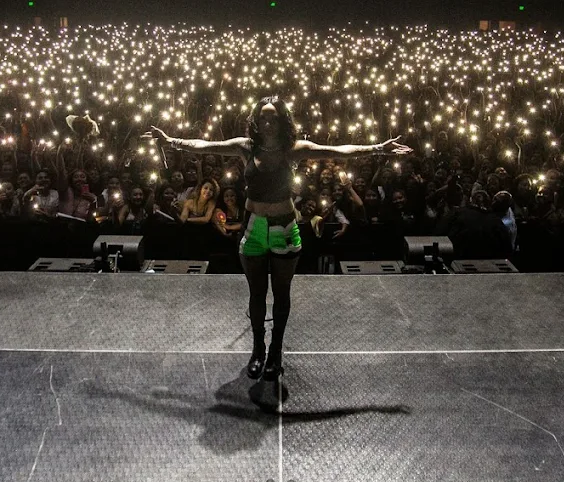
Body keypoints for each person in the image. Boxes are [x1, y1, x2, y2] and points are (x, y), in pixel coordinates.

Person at [142, 95, 412, 386]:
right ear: (256, 120)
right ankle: (258, 348)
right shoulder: (246, 147)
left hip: (285, 228)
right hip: (254, 229)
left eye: (273, 116)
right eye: (263, 116)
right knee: (257, 294)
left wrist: (377, 149)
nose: (268, 121)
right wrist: (172, 141)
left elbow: (337, 151)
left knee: (281, 295)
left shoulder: (292, 150)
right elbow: (205, 145)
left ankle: (276, 352)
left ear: (282, 120)